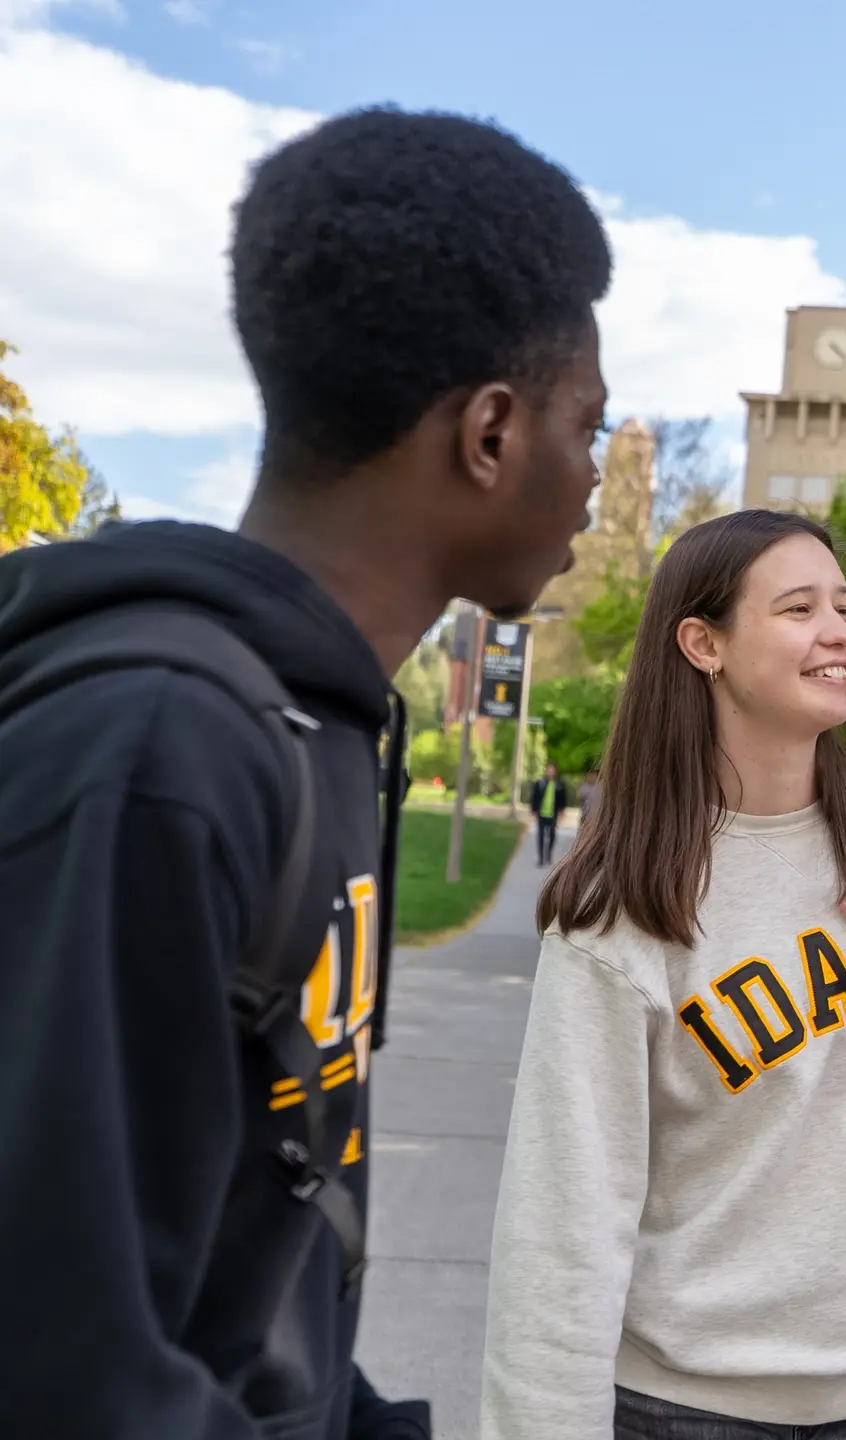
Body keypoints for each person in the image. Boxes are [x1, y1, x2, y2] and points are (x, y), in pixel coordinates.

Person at [0, 107, 612, 1438]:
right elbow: (56, 1365)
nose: (598, 485)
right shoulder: (157, 752)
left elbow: (246, 1278)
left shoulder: (318, 729)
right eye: (594, 430)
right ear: (493, 433)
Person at [481, 510, 846, 1440]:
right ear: (702, 643)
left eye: (843, 607)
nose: (840, 634)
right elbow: (562, 1226)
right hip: (681, 1411)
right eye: (797, 608)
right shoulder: (624, 905)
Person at [529, 762, 568, 865]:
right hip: (542, 814)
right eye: (549, 769)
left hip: (553, 814)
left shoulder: (559, 784)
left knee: (552, 835)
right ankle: (541, 858)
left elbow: (562, 799)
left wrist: (562, 811)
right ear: (546, 770)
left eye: (552, 770)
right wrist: (533, 810)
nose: (550, 772)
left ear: (555, 771)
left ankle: (548, 855)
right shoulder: (540, 783)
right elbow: (534, 796)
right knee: (541, 836)